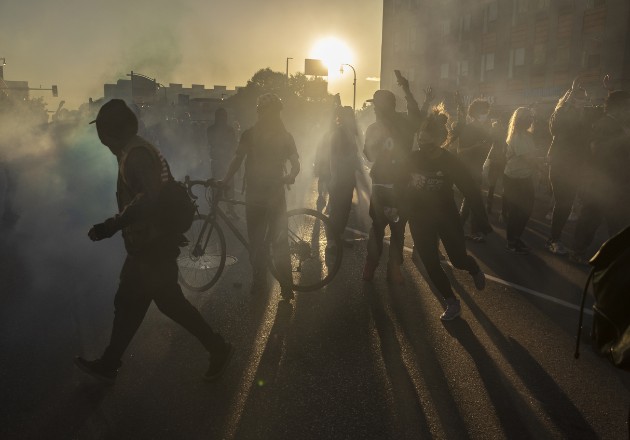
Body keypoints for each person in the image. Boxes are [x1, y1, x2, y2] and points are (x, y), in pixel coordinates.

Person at [75, 99, 232, 384]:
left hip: (153, 244)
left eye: (103, 133)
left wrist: (111, 226)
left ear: (112, 132)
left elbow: (148, 200)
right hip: (148, 243)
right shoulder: (134, 149)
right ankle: (111, 361)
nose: (102, 140)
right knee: (136, 302)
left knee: (155, 303)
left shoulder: (135, 155)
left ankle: (218, 347)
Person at [405, 110, 489, 320]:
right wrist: (394, 206)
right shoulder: (413, 158)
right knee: (430, 262)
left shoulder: (451, 162)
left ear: (442, 140)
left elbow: (470, 190)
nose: (424, 147)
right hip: (419, 218)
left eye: (429, 143)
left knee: (458, 260)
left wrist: (482, 221)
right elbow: (398, 183)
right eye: (421, 141)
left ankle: (473, 268)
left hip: (446, 216)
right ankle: (451, 302)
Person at [220, 93, 300, 301]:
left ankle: (263, 283)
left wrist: (225, 181)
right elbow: (295, 163)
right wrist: (290, 175)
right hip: (271, 195)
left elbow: (237, 161)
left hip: (259, 196)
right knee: (276, 242)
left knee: (261, 242)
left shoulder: (251, 134)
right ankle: (284, 286)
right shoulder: (284, 136)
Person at [362, 73, 432, 284]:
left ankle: (370, 268)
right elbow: (417, 116)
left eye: (376, 105)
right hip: (400, 186)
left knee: (377, 229)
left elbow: (368, 156)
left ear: (383, 106)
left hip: (383, 186)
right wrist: (408, 91)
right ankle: (394, 270)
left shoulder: (374, 128)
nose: (373, 108)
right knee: (398, 230)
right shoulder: (403, 123)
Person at [571, 90, 630, 263]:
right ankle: (577, 251)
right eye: (627, 106)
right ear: (617, 107)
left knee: (618, 223)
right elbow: (599, 151)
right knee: (591, 219)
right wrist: (624, 138)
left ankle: (614, 257)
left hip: (620, 182)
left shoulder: (622, 124)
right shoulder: (604, 124)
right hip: (601, 182)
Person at [546, 81, 591, 255]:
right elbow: (557, 131)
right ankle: (553, 240)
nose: (583, 102)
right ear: (571, 100)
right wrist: (570, 107)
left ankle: (555, 238)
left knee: (568, 204)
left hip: (576, 165)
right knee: (563, 203)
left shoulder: (585, 115)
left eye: (585, 99)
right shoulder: (561, 113)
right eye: (579, 99)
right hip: (560, 164)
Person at [503, 107, 540, 254]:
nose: (530, 119)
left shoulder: (527, 135)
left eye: (531, 117)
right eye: (527, 117)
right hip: (514, 178)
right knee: (517, 211)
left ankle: (516, 237)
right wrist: (542, 166)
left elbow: (532, 155)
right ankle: (511, 241)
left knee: (526, 210)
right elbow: (528, 158)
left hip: (525, 177)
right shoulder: (517, 136)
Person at [455, 98, 492, 242]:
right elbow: (460, 150)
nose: (485, 114)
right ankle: (473, 231)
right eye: (483, 112)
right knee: (474, 201)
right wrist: (475, 147)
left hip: (478, 169)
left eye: (486, 112)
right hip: (467, 170)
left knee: (470, 201)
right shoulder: (468, 129)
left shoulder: (484, 129)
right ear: (475, 113)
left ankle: (460, 228)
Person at [325, 106, 361, 246]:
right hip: (339, 177)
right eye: (348, 116)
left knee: (345, 208)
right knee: (337, 210)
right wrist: (334, 176)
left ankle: (338, 237)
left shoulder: (350, 133)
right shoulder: (338, 134)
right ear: (342, 118)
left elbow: (354, 155)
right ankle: (331, 242)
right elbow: (333, 157)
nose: (352, 118)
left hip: (348, 177)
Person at [207, 108, 238, 218]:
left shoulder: (230, 130)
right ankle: (214, 209)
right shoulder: (211, 130)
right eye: (220, 116)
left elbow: (234, 145)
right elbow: (211, 143)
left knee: (229, 186)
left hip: (227, 161)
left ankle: (230, 209)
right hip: (217, 161)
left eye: (223, 116)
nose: (222, 118)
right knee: (216, 186)